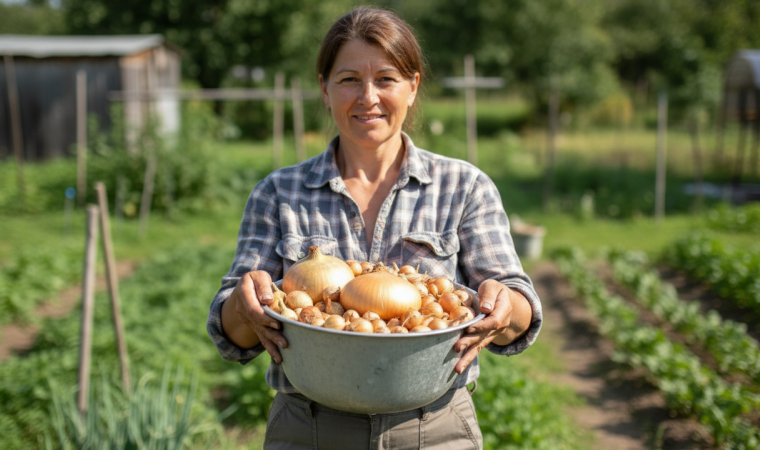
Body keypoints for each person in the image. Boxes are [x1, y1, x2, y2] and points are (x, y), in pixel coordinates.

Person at [207, 6, 542, 449]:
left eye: (385, 79)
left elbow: (520, 313)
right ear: (324, 89)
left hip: (434, 429)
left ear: (412, 87)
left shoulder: (464, 187)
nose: (367, 97)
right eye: (348, 80)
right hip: (308, 430)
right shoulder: (278, 193)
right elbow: (232, 334)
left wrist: (506, 307)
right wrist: (245, 303)